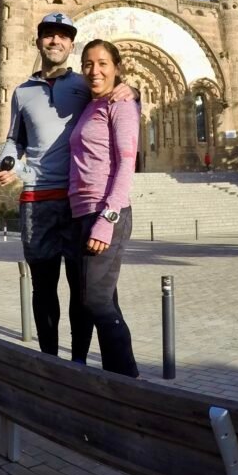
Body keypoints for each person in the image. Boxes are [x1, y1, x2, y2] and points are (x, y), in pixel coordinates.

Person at [0, 13, 136, 359]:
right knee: (42, 289)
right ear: (38, 41)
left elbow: (114, 96)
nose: (55, 41)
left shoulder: (85, 86)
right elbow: (15, 139)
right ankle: (49, 362)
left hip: (76, 203)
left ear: (71, 45)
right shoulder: (22, 92)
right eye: (48, 35)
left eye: (63, 36)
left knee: (81, 290)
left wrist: (133, 89)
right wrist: (6, 161)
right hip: (36, 199)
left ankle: (79, 363)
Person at [66, 39, 140, 377]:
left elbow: (127, 164)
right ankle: (105, 376)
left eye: (103, 63)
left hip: (106, 213)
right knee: (96, 298)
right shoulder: (90, 106)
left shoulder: (121, 105)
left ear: (116, 67)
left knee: (95, 301)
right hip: (81, 212)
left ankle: (128, 383)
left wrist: (107, 220)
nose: (94, 70)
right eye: (88, 64)